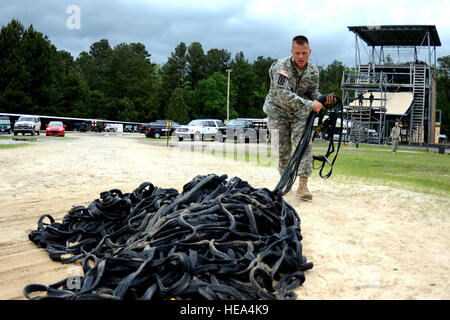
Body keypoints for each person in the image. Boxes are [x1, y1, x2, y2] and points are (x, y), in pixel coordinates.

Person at [263, 35, 335, 201]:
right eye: (297, 53)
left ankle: (303, 186)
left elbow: (312, 94)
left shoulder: (313, 71)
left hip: (299, 114)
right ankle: (286, 181)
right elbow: (283, 95)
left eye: (304, 53)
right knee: (282, 151)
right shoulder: (281, 68)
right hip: (277, 112)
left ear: (309, 52)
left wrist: (324, 98)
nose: (301, 57)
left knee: (304, 146)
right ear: (292, 52)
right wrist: (311, 105)